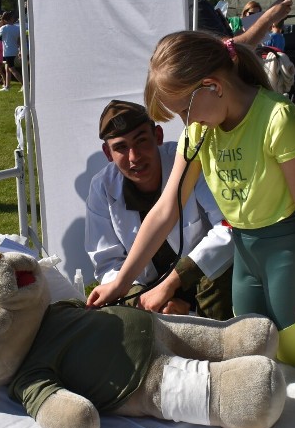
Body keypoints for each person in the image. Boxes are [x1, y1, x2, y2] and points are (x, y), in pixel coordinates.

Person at [87, 31, 295, 369]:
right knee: (247, 357)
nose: (186, 122)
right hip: (246, 254)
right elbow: (165, 210)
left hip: (284, 253)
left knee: (293, 363)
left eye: (184, 111)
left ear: (212, 86)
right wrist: (121, 283)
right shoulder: (200, 131)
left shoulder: (278, 120)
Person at [86, 100, 234, 320]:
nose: (134, 157)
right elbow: (108, 262)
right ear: (108, 153)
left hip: (206, 281)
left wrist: (174, 282)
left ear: (158, 136)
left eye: (142, 141)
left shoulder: (188, 160)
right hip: (150, 295)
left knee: (219, 270)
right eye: (120, 148)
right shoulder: (102, 188)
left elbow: (228, 227)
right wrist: (144, 299)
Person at [0, 11, 23, 92]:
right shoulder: (17, 27)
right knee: (7, 69)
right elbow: (19, 40)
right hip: (14, 50)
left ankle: (24, 85)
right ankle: (7, 86)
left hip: (8, 51)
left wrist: (0, 24)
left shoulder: (4, 28)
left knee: (12, 69)